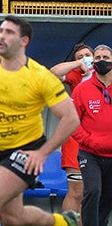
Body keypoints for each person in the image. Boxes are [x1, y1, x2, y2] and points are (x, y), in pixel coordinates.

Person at [0, 15, 81, 226]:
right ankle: (62, 222)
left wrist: (43, 152)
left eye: (9, 32)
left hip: (26, 151)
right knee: (13, 217)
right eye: (0, 31)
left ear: (24, 41)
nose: (2, 36)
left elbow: (71, 118)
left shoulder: (40, 75)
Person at [55, 43, 97, 218]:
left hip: (101, 139)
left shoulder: (105, 75)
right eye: (80, 56)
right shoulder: (77, 74)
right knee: (77, 190)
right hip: (76, 137)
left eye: (88, 55)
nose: (85, 58)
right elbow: (52, 73)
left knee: (96, 190)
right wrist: (78, 64)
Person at [72, 44, 112, 226]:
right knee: (93, 190)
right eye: (98, 58)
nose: (102, 61)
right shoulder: (82, 89)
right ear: (92, 62)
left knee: (107, 197)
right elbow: (72, 123)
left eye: (106, 58)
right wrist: (90, 141)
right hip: (90, 153)